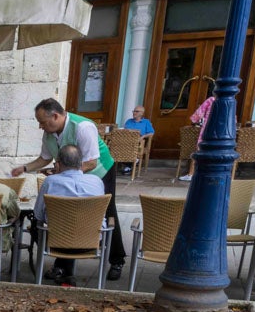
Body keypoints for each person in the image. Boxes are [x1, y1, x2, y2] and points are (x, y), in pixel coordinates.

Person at [11, 98, 126, 281]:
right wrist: (24, 168)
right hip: (70, 170)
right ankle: (63, 264)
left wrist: (62, 172)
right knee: (66, 213)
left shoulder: (83, 127)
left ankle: (117, 259)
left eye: (42, 122)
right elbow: (44, 158)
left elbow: (91, 162)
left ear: (55, 116)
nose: (40, 127)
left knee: (105, 211)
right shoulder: (49, 133)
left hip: (100, 171)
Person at [32, 144, 107, 285]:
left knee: (37, 226)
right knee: (75, 226)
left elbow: (38, 214)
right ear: (81, 163)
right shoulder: (97, 182)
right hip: (90, 241)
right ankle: (66, 272)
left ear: (58, 164)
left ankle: (63, 269)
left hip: (57, 242)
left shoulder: (50, 182)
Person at [178, 94, 217, 181]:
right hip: (220, 131)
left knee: (199, 150)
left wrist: (194, 120)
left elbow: (199, 113)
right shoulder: (229, 101)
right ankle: (210, 174)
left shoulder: (211, 100)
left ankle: (191, 174)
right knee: (215, 152)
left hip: (208, 129)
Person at [120, 105, 155, 176]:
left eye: (136, 111)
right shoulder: (129, 121)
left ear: (142, 113)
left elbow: (151, 133)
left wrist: (143, 136)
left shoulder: (146, 122)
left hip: (139, 141)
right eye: (133, 111)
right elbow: (125, 130)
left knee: (133, 145)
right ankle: (130, 163)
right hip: (127, 140)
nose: (134, 113)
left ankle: (129, 164)